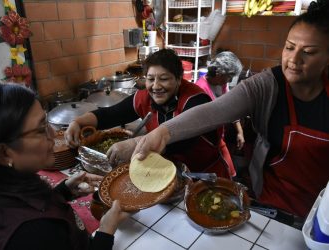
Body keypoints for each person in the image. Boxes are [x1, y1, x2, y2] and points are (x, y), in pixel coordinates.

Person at [131, 0, 329, 219]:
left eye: (309, 52)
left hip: (322, 210)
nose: (294, 60)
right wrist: (163, 133)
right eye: (289, 47)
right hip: (272, 200)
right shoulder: (267, 85)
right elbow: (215, 111)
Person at [0, 83, 129, 250]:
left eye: (47, 122)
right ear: (4, 153)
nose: (53, 133)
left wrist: (64, 191)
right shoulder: (34, 234)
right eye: (41, 129)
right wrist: (106, 231)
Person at [65, 49, 236, 178]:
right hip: (167, 174)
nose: (155, 86)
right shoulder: (145, 97)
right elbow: (111, 114)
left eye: (164, 78)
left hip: (204, 175)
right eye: (150, 78)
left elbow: (181, 140)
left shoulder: (196, 100)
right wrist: (79, 122)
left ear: (178, 79)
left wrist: (134, 144)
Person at [196, 51, 245, 150]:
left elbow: (230, 106)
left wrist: (240, 132)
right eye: (229, 77)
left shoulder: (222, 84)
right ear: (219, 74)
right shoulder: (201, 89)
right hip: (206, 141)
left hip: (219, 136)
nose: (230, 81)